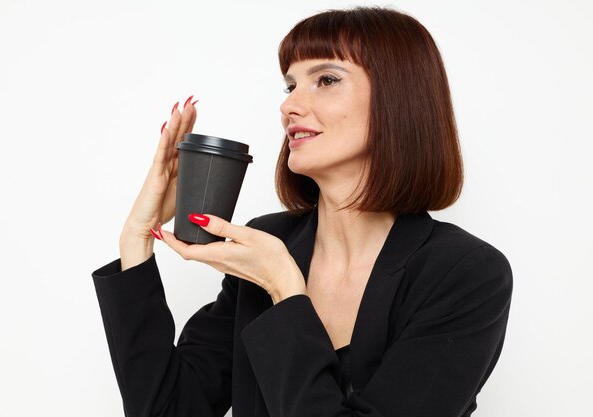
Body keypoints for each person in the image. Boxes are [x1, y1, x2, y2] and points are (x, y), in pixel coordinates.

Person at [92, 6, 512, 417]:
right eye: (290, 86)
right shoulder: (270, 243)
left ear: (398, 99)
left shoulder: (466, 273)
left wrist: (285, 291)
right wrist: (136, 238)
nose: (289, 105)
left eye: (326, 79)